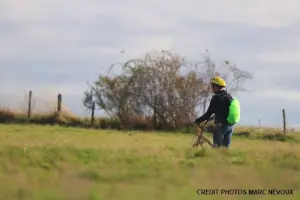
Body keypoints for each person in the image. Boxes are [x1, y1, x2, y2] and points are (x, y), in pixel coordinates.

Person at [194, 76, 235, 149]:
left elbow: (208, 114)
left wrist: (197, 121)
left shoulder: (216, 98)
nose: (211, 88)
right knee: (225, 149)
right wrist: (211, 119)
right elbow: (221, 112)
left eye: (212, 86)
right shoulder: (229, 96)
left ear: (215, 86)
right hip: (230, 126)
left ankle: (214, 159)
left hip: (221, 126)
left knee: (216, 148)